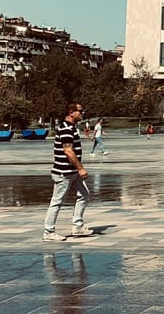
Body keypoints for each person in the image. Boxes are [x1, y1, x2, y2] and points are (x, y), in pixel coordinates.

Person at [42, 103, 93, 241]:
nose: (82, 113)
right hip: (63, 172)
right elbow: (68, 151)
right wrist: (80, 168)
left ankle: (77, 227)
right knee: (57, 201)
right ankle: (48, 231)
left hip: (72, 172)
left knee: (84, 195)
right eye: (80, 111)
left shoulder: (71, 128)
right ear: (71, 112)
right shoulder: (66, 129)